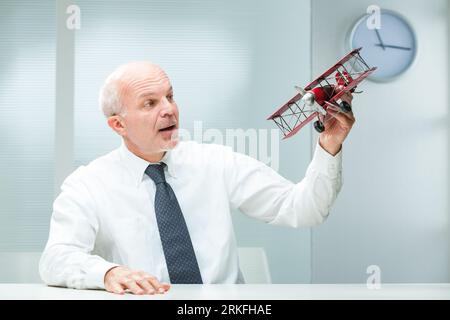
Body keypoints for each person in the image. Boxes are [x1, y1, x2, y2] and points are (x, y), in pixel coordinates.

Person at [39, 61, 355, 295]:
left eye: (170, 96)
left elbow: (304, 209)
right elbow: (56, 258)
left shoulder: (216, 162)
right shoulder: (88, 184)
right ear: (118, 125)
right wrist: (107, 273)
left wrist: (329, 146)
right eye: (150, 103)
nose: (169, 110)